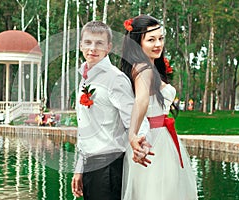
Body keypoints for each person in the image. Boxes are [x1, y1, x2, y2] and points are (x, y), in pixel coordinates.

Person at [71, 21, 151, 200]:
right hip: (90, 165)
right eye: (88, 42)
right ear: (80, 45)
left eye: (99, 43)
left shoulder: (115, 79)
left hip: (109, 168)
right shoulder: (85, 79)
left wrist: (141, 143)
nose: (93, 48)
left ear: (108, 47)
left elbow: (137, 119)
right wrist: (80, 168)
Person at [120, 15, 198, 199]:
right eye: (151, 40)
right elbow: (141, 101)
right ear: (137, 43)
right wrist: (132, 135)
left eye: (160, 38)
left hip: (161, 138)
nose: (158, 44)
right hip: (154, 142)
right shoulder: (143, 68)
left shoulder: (148, 67)